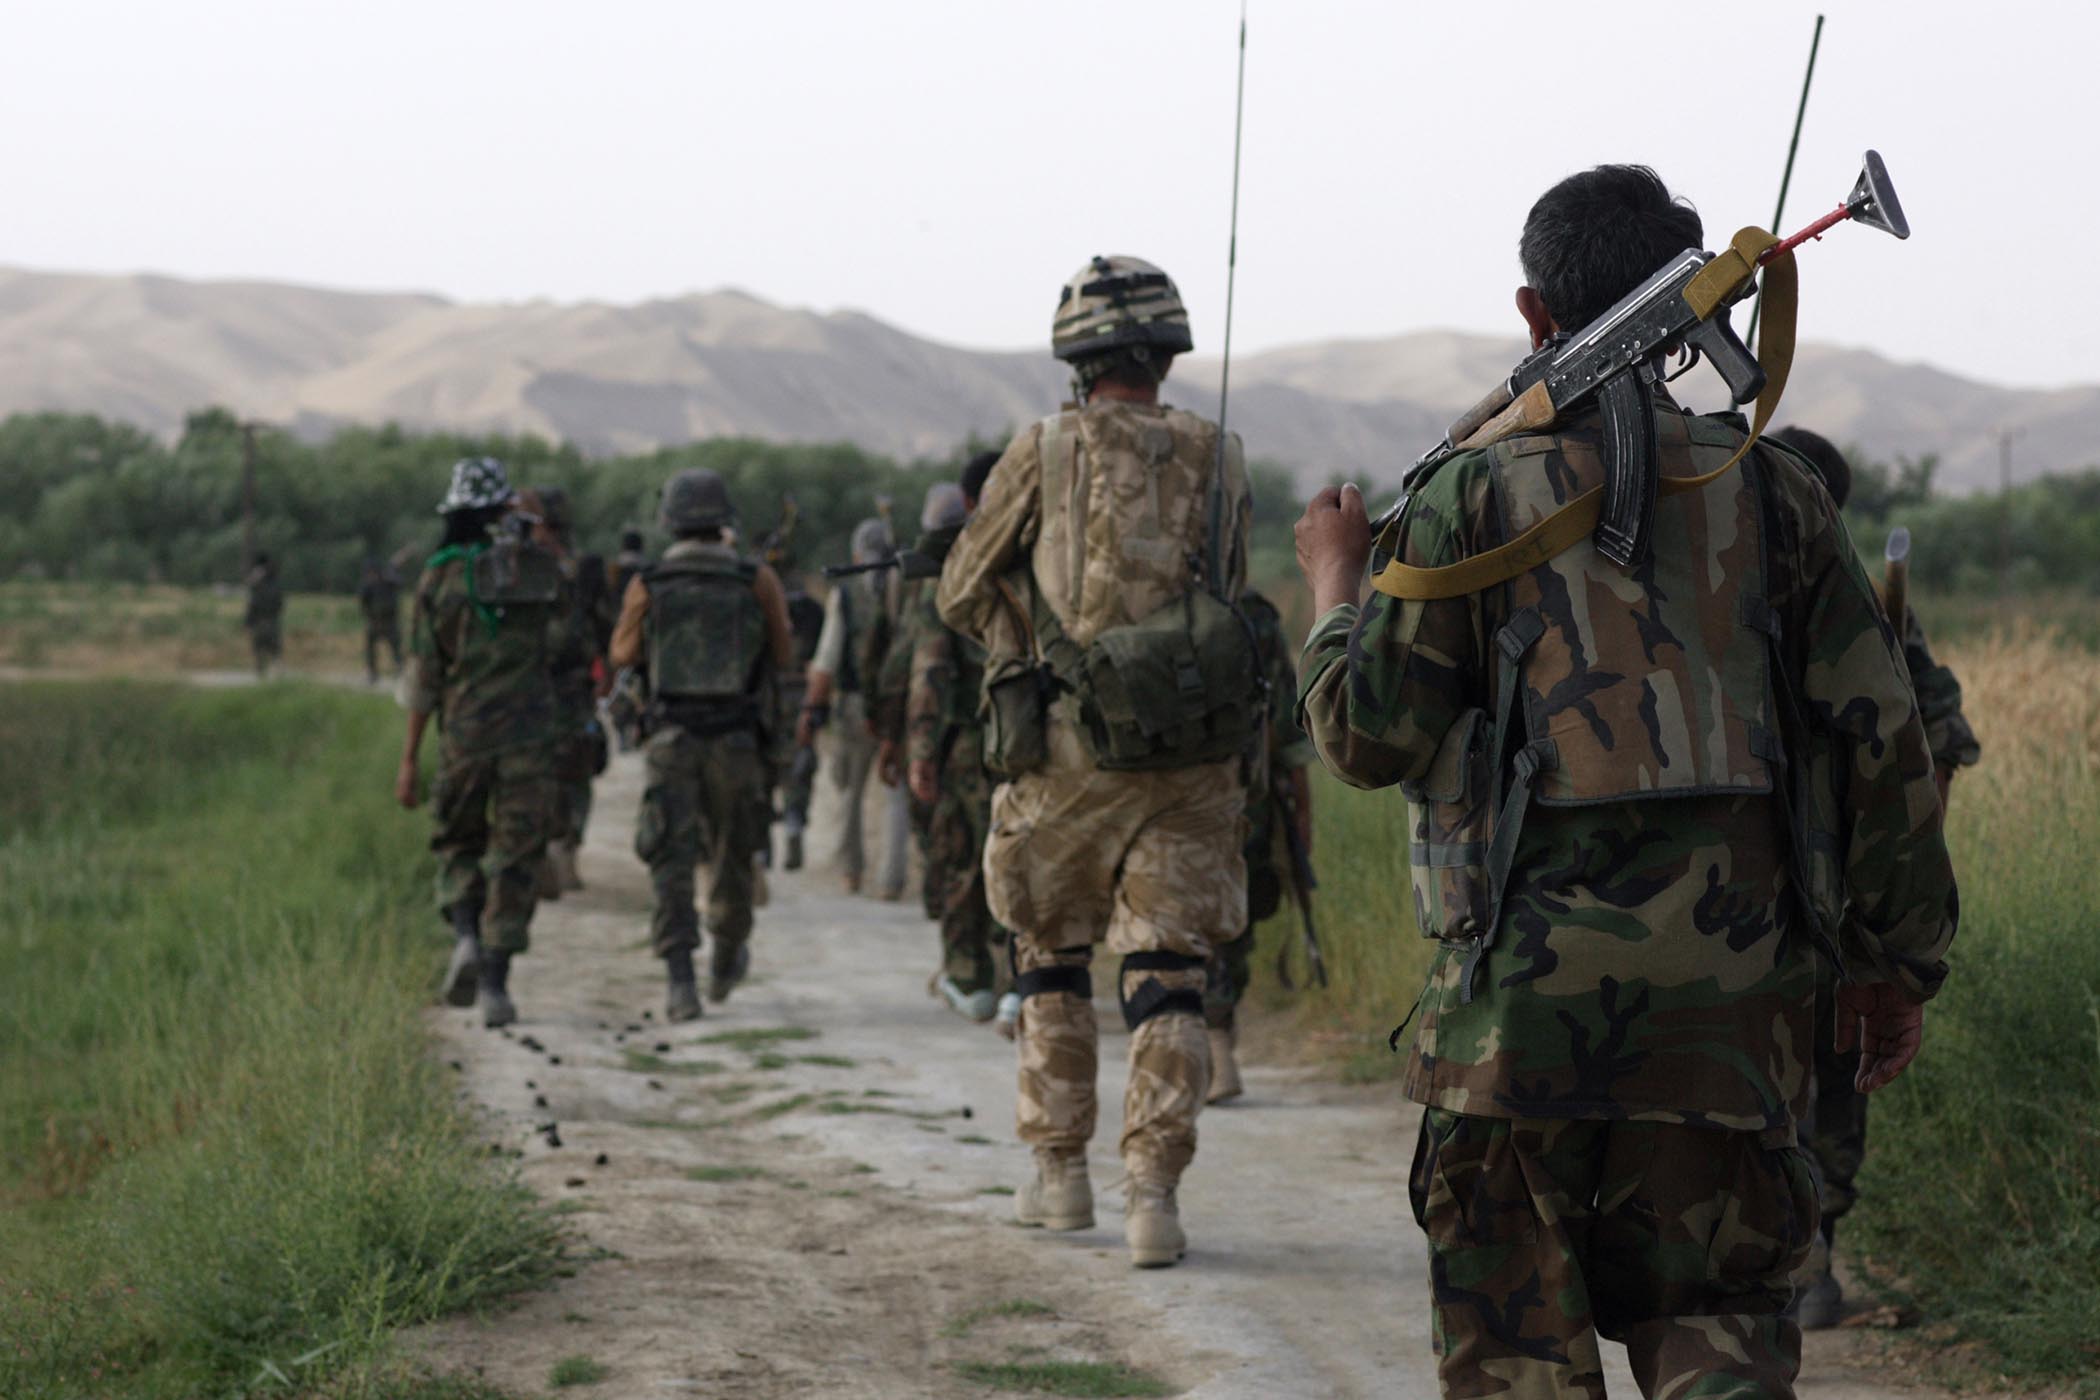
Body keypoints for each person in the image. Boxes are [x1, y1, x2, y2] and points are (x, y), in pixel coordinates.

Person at [1292, 165, 1958, 1395]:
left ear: (1536, 314)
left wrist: (1336, 581)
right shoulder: (1777, 486)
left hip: (1514, 1032)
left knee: (1518, 1352)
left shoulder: (1464, 496)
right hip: (1737, 1024)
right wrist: (1893, 965)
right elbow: (1884, 739)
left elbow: (1363, 737)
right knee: (1720, 1334)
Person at [938, 255, 1255, 1269]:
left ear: (1074, 355)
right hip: (1192, 759)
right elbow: (1232, 590)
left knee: (1051, 955)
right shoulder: (1222, 452)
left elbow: (960, 584)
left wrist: (1025, 640)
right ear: (1167, 351)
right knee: (1169, 973)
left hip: (1066, 755)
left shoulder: (1040, 447)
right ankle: (1152, 1194)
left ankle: (1060, 1175)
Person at [1768, 424, 1982, 1329]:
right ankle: (1790, 1266)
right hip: (1800, 890)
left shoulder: (1855, 600)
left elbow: (1935, 743)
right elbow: (1932, 754)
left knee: (1814, 1077)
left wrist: (1891, 859)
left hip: (1786, 894)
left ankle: (1801, 1267)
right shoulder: (1808, 593)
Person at [609, 469, 794, 1022]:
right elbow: (783, 655)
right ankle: (726, 955)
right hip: (736, 740)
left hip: (672, 739)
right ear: (723, 520)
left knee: (672, 859)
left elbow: (622, 655)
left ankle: (680, 983)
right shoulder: (755, 579)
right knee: (733, 856)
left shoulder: (649, 582)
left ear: (670, 520)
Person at [395, 457, 566, 1029]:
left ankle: (466, 936)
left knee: (457, 840)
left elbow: (424, 679)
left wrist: (408, 760)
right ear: (504, 511)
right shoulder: (536, 570)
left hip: (464, 736)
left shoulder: (438, 577)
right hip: (530, 736)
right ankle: (495, 981)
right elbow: (569, 636)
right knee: (516, 853)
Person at [904, 470, 1007, 1024]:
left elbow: (930, 672)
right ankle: (1021, 978)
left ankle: (969, 976)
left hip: (969, 743)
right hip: (1029, 738)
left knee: (961, 856)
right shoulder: (1035, 562)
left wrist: (920, 750)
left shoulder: (951, 576)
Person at [1204, 588, 1314, 1103]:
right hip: (1240, 801)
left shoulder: (1251, 617)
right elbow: (1290, 734)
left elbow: (1287, 730)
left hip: (1225, 800)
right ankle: (1210, 1042)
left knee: (1221, 925)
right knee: (1227, 926)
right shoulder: (1251, 615)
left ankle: (1208, 1044)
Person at [797, 518, 892, 894]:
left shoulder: (846, 594)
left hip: (854, 706)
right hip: (899, 704)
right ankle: (892, 877)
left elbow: (827, 658)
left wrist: (811, 709)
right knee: (896, 794)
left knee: (850, 792)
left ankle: (852, 872)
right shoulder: (911, 586)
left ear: (856, 553)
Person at [520, 486, 607, 894]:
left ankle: (560, 850)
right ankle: (553, 852)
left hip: (559, 685)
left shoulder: (570, 568)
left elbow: (601, 624)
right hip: (546, 685)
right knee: (555, 770)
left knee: (567, 767)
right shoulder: (534, 566)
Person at [760, 515, 827, 871]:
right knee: (799, 769)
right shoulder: (813, 610)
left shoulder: (760, 602)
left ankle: (763, 843)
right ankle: (793, 826)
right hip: (800, 697)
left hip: (769, 697)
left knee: (764, 766)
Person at [357, 555, 403, 684]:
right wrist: (368, 617)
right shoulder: (367, 585)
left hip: (390, 622)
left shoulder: (388, 580)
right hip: (374, 622)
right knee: (370, 649)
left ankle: (400, 672)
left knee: (396, 649)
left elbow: (399, 583)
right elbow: (363, 603)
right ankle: (372, 673)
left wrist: (391, 572)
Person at [244, 553, 284, 678]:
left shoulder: (256, 579)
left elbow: (253, 603)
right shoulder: (274, 578)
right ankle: (276, 674)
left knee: (259, 650)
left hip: (260, 620)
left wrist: (248, 622)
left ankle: (261, 675)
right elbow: (280, 602)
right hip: (272, 620)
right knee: (274, 650)